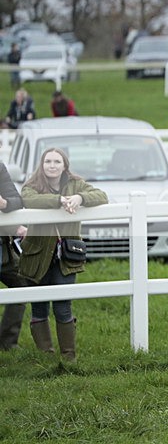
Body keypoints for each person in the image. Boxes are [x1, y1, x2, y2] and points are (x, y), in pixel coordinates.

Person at [17, 148, 107, 361]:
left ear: (65, 165)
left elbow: (101, 196)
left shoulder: (77, 184)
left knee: (63, 305)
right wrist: (59, 201)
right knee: (38, 306)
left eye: (57, 161)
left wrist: (79, 198)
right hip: (37, 255)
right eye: (48, 161)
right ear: (42, 164)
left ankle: (69, 357)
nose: (52, 165)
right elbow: (29, 200)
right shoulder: (32, 186)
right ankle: (46, 356)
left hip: (67, 255)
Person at [0, 161, 26, 351]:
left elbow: (17, 200)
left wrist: (4, 203)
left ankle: (7, 343)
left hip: (4, 251)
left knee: (22, 283)